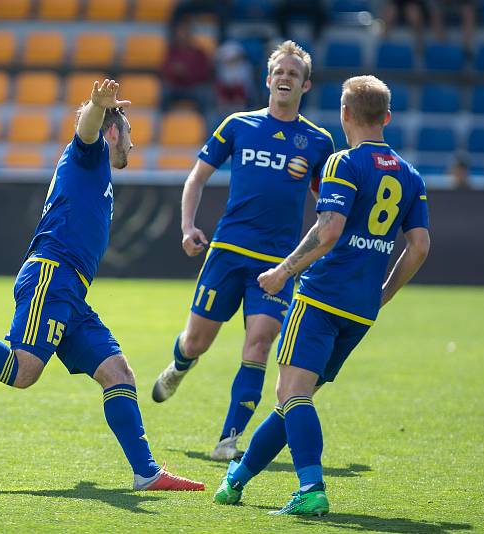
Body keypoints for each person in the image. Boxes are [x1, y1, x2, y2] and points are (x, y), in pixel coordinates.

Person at [0, 80, 205, 493]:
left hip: (70, 290)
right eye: (130, 135)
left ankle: (146, 473)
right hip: (52, 275)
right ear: (114, 131)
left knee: (118, 373)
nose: (133, 147)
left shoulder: (97, 170)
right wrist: (97, 107)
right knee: (22, 370)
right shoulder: (91, 152)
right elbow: (85, 129)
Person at [213, 75, 431, 516]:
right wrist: (384, 292)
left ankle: (311, 488)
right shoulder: (409, 174)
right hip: (362, 308)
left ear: (345, 114)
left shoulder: (342, 163)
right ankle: (236, 479)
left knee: (292, 394)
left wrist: (282, 271)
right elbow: (420, 245)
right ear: (386, 117)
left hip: (321, 297)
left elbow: (328, 230)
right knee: (295, 399)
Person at [151, 41, 335, 462]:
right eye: (280, 72)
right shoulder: (238, 125)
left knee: (259, 343)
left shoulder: (318, 142)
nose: (285, 78)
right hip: (227, 252)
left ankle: (227, 441)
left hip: (276, 264)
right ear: (268, 80)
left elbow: (329, 207)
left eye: (294, 74)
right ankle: (180, 366)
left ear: (305, 86)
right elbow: (196, 179)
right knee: (196, 341)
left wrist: (311, 254)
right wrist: (187, 227)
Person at [160, 19, 214, 114]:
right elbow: (165, 70)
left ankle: (205, 123)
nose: (182, 35)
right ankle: (163, 123)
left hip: (193, 87)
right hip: (176, 86)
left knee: (204, 95)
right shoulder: (172, 52)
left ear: (190, 35)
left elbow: (205, 73)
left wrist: (187, 73)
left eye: (185, 33)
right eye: (180, 33)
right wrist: (175, 72)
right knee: (164, 93)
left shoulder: (199, 53)